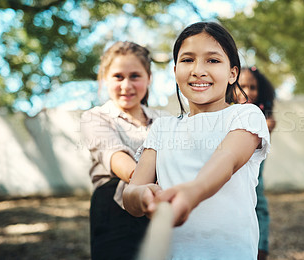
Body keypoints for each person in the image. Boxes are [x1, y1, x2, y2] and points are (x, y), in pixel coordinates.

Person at [123, 22, 271, 260]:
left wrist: (191, 193)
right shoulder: (162, 128)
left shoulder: (245, 115)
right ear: (174, 71)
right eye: (187, 59)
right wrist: (142, 196)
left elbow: (228, 159)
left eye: (212, 60)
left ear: (233, 73)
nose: (198, 70)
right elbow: (131, 192)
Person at [80, 41, 164, 260]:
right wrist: (143, 183)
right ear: (104, 79)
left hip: (161, 203)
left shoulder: (165, 121)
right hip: (114, 211)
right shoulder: (96, 117)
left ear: (149, 78)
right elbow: (116, 156)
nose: (126, 85)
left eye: (135, 76)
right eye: (118, 76)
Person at [237, 66, 276, 260]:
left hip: (254, 178)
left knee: (259, 206)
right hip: (232, 177)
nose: (247, 92)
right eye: (241, 86)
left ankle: (261, 248)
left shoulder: (264, 117)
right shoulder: (229, 111)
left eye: (252, 87)